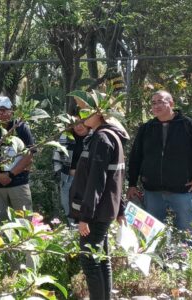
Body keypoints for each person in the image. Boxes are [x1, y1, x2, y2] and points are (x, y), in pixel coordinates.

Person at [127, 90, 192, 250]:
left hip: (183, 191)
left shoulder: (189, 126)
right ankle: (157, 266)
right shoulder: (146, 129)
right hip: (152, 192)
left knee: (190, 232)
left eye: (161, 101)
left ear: (171, 103)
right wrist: (132, 183)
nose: (156, 105)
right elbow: (135, 157)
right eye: (153, 103)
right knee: (152, 235)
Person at [68, 110, 129, 300]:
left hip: (95, 213)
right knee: (101, 259)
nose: (83, 117)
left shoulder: (102, 138)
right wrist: (120, 209)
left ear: (101, 114)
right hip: (104, 209)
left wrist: (85, 216)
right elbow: (115, 177)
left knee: (90, 261)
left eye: (88, 112)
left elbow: (97, 180)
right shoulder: (108, 135)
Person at [0, 96, 35, 222]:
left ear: (12, 110)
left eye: (5, 110)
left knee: (23, 221)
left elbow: (29, 155)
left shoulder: (21, 128)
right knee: (0, 222)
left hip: (18, 183)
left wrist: (10, 174)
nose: (1, 113)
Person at [52, 120, 89, 224]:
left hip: (88, 181)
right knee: (69, 211)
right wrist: (61, 174)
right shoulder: (66, 136)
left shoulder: (94, 137)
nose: (78, 126)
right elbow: (56, 157)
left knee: (86, 211)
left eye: (82, 122)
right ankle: (73, 234)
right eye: (75, 123)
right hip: (68, 180)